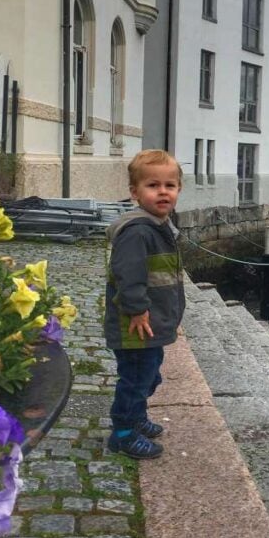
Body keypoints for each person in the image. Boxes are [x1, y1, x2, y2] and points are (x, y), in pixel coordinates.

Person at [104, 149, 185, 459]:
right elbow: (129, 276)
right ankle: (122, 432)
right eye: (153, 185)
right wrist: (137, 310)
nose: (163, 192)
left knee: (148, 375)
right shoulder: (138, 232)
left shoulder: (160, 226)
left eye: (170, 185)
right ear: (135, 192)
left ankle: (136, 417)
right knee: (137, 378)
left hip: (153, 323)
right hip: (135, 325)